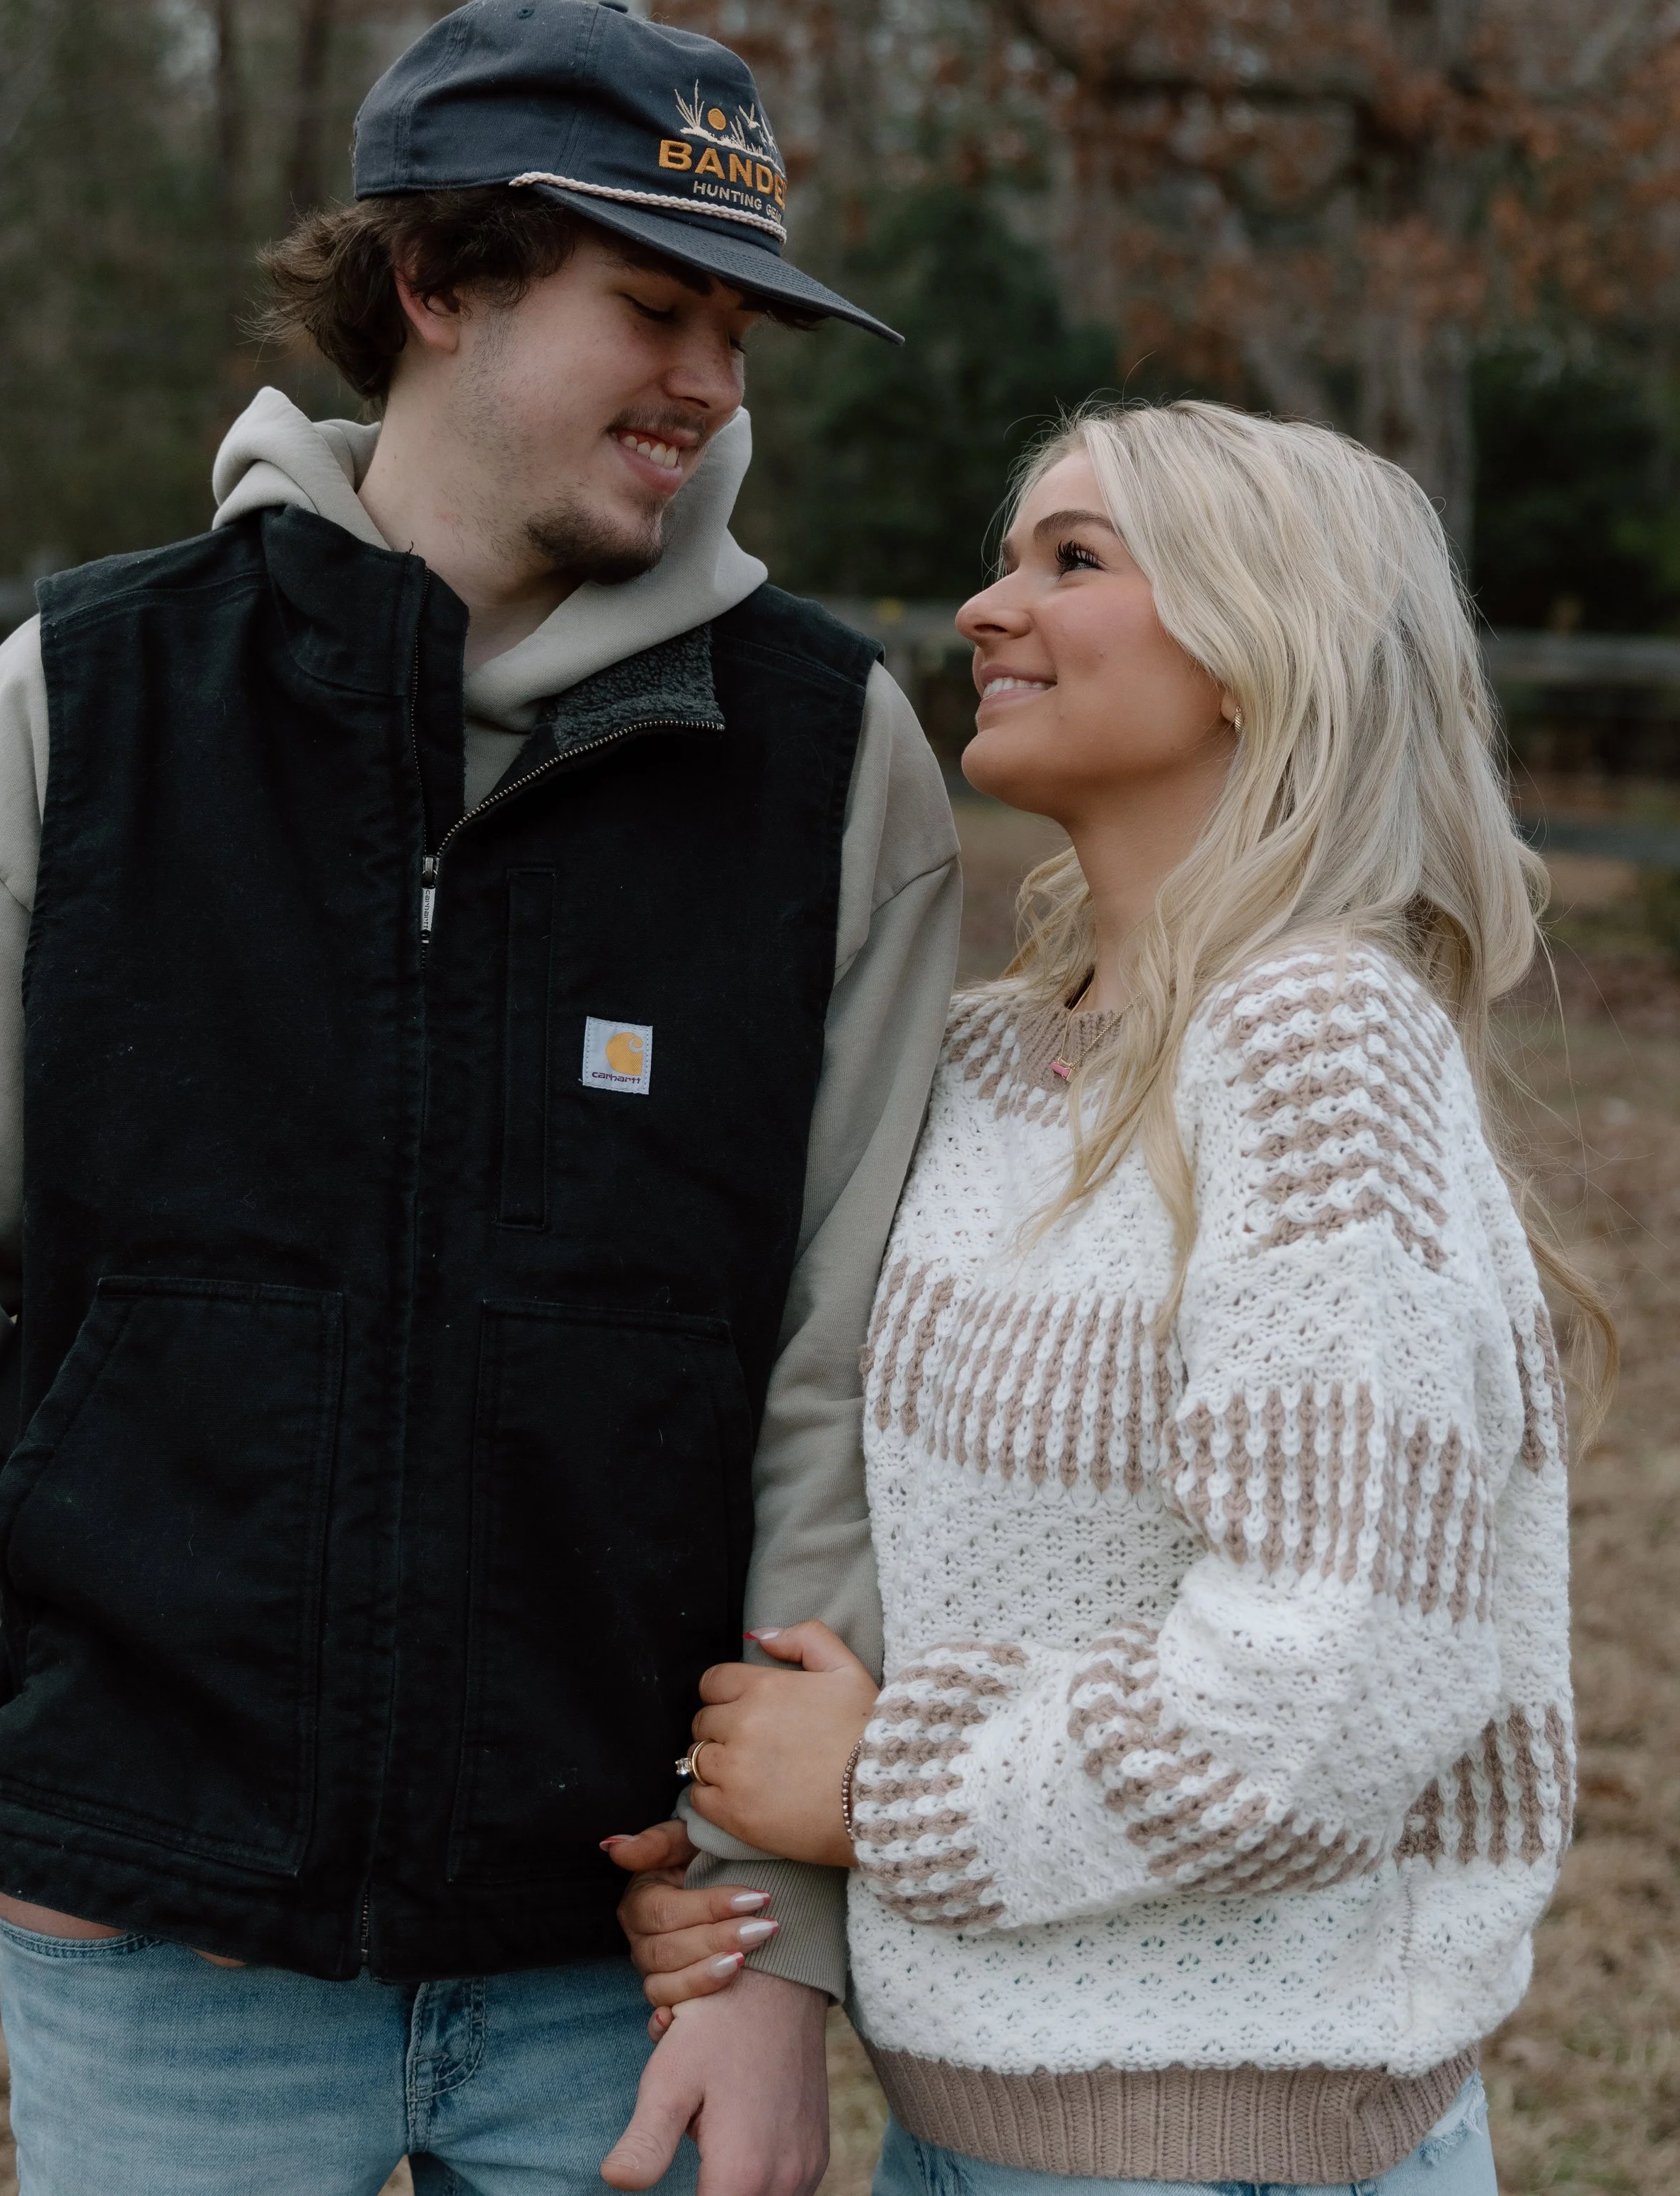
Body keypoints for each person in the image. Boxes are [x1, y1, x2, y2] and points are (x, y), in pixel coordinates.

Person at [0, 0, 962, 2195]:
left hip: (637, 1949)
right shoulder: (83, 706)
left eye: (741, 331)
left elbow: (838, 1370)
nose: (708, 381)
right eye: (651, 305)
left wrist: (783, 1935)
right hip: (153, 1938)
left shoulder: (825, 755)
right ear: (434, 280)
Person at [612, 401, 1610, 2196]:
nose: (985, 611)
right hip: (974, 2124)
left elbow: (1333, 1687)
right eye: (1010, 560)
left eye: (1073, 562)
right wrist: (754, 1861)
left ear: (1254, 648)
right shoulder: (997, 1065)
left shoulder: (1311, 1040)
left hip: (1233, 2143)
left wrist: (874, 1790)